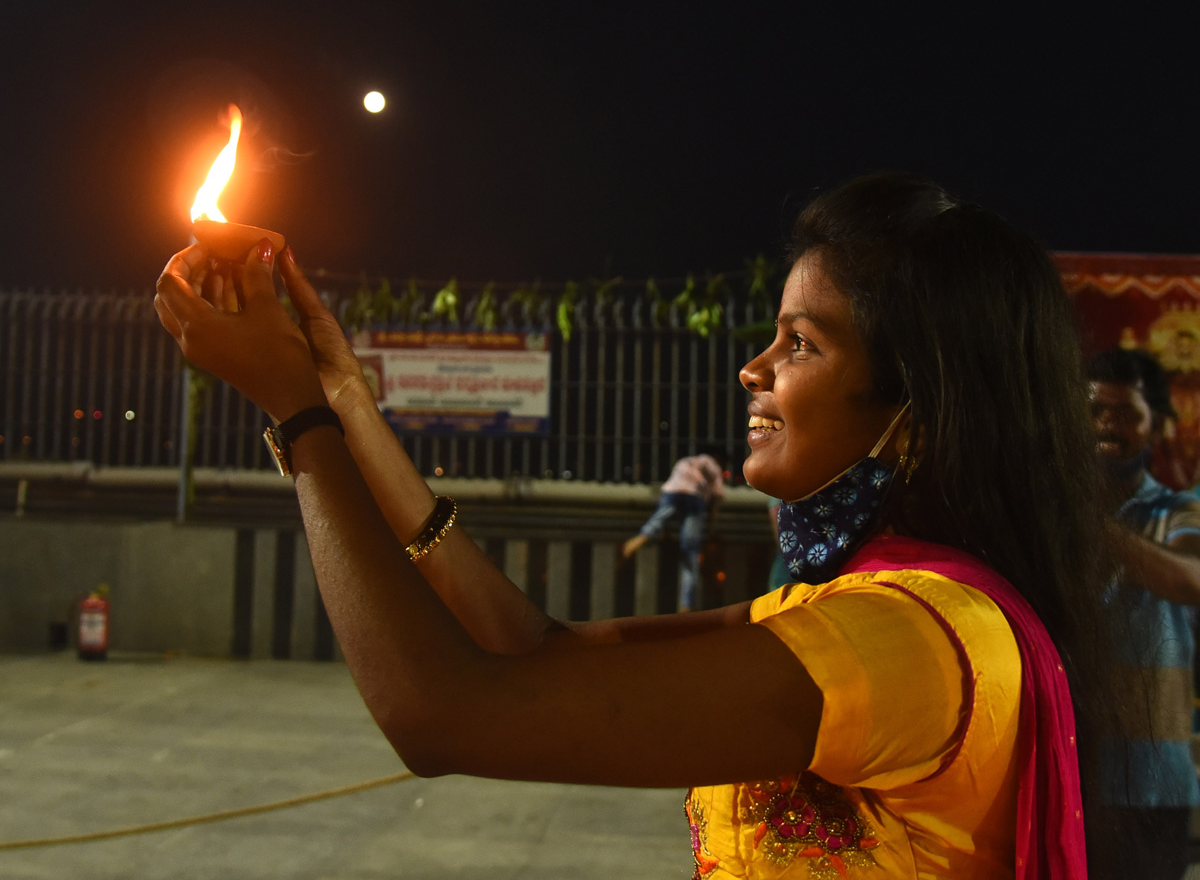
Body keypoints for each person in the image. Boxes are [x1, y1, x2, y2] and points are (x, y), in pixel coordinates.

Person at [154, 172, 1122, 879]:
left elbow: (443, 717)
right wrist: (345, 400)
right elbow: (532, 644)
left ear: (917, 400)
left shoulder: (910, 637)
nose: (755, 369)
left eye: (801, 343)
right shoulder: (880, 609)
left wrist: (297, 418)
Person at [1087, 347, 1200, 880]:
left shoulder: (1177, 511)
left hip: (1155, 786)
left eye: (1127, 414)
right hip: (1067, 776)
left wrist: (1090, 524)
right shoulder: (1047, 520)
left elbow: (1190, 578)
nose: (1108, 426)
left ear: (1155, 425)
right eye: (1094, 412)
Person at [621, 448, 726, 611]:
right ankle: (686, 604)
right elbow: (717, 496)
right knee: (690, 552)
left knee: (662, 516)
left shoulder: (684, 461)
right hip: (695, 497)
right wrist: (712, 525)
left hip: (673, 493)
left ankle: (646, 534)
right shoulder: (714, 466)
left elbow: (670, 487)